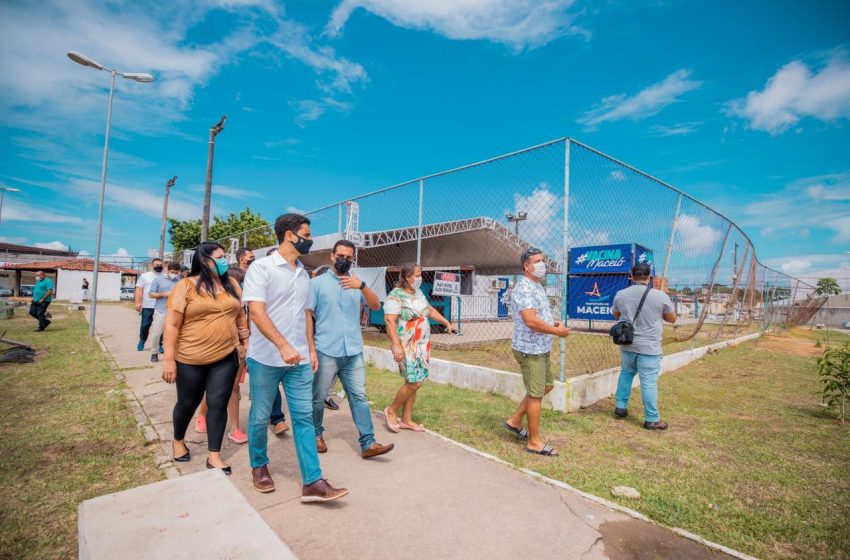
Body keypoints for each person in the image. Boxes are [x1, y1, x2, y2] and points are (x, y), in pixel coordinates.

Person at [242, 213, 348, 501]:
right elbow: (256, 312)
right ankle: (259, 466)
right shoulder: (261, 268)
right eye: (307, 233)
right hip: (265, 359)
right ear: (290, 235)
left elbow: (305, 315)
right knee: (261, 415)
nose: (310, 239)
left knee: (303, 418)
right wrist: (282, 346)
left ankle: (313, 481)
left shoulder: (304, 274)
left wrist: (310, 350)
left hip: (300, 361)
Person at [161, 242, 249, 475]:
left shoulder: (231, 284)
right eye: (220, 257)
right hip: (190, 358)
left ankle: (214, 455)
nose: (224, 261)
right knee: (187, 403)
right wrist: (169, 359)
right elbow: (171, 325)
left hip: (226, 356)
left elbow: (241, 315)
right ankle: (178, 441)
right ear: (205, 260)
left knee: (218, 403)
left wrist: (245, 341)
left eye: (225, 256)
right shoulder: (185, 286)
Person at [309, 240, 394, 458]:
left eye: (349, 257)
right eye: (341, 255)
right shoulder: (317, 284)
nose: (344, 260)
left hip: (353, 350)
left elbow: (376, 306)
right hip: (326, 349)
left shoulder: (357, 283)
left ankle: (368, 443)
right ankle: (316, 434)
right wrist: (310, 349)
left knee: (359, 396)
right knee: (318, 397)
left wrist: (363, 287)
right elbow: (307, 316)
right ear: (332, 256)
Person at [504, 248, 570, 457]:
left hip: (541, 347)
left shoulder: (536, 285)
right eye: (537, 261)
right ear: (526, 265)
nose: (542, 264)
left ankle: (514, 421)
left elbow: (539, 315)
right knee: (535, 394)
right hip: (529, 349)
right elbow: (530, 321)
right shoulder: (524, 288)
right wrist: (556, 331)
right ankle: (534, 442)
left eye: (543, 260)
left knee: (546, 385)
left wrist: (552, 323)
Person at [383, 263, 456, 433]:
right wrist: (395, 345)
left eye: (420, 275)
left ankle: (407, 419)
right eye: (416, 275)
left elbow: (429, 310)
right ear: (406, 277)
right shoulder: (395, 296)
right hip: (406, 345)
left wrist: (446, 323)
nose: (419, 278)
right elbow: (389, 321)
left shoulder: (419, 293)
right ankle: (392, 410)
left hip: (422, 344)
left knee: (415, 380)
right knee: (414, 382)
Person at [611, 262, 677, 430]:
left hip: (628, 343)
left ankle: (620, 406)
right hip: (650, 347)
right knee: (648, 382)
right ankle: (652, 418)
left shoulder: (621, 294)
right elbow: (672, 319)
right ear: (649, 278)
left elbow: (616, 314)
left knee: (626, 374)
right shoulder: (660, 296)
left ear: (632, 276)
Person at [194, 265, 252, 444]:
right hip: (218, 346)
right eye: (239, 282)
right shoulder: (219, 300)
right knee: (216, 387)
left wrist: (246, 344)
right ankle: (202, 413)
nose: (241, 286)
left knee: (234, 387)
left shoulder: (245, 301)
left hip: (238, 348)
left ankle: (234, 428)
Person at [262, 247, 290, 437]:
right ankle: (276, 419)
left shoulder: (296, 280)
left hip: (291, 344)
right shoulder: (259, 276)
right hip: (265, 344)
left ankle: (277, 419)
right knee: (269, 386)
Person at [148, 261, 181, 363]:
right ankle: (154, 352)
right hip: (161, 310)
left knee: (177, 334)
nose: (174, 274)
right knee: (156, 334)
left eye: (176, 272)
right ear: (167, 270)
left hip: (176, 311)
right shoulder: (158, 280)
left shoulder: (181, 281)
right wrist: (163, 294)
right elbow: (151, 294)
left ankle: (175, 354)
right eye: (172, 272)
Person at [135, 258, 164, 352]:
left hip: (162, 306)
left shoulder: (165, 276)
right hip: (148, 305)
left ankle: (159, 345)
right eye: (157, 264)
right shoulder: (145, 276)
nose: (159, 266)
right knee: (145, 325)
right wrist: (138, 302)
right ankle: (142, 341)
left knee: (161, 326)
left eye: (160, 264)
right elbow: (139, 289)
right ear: (152, 266)